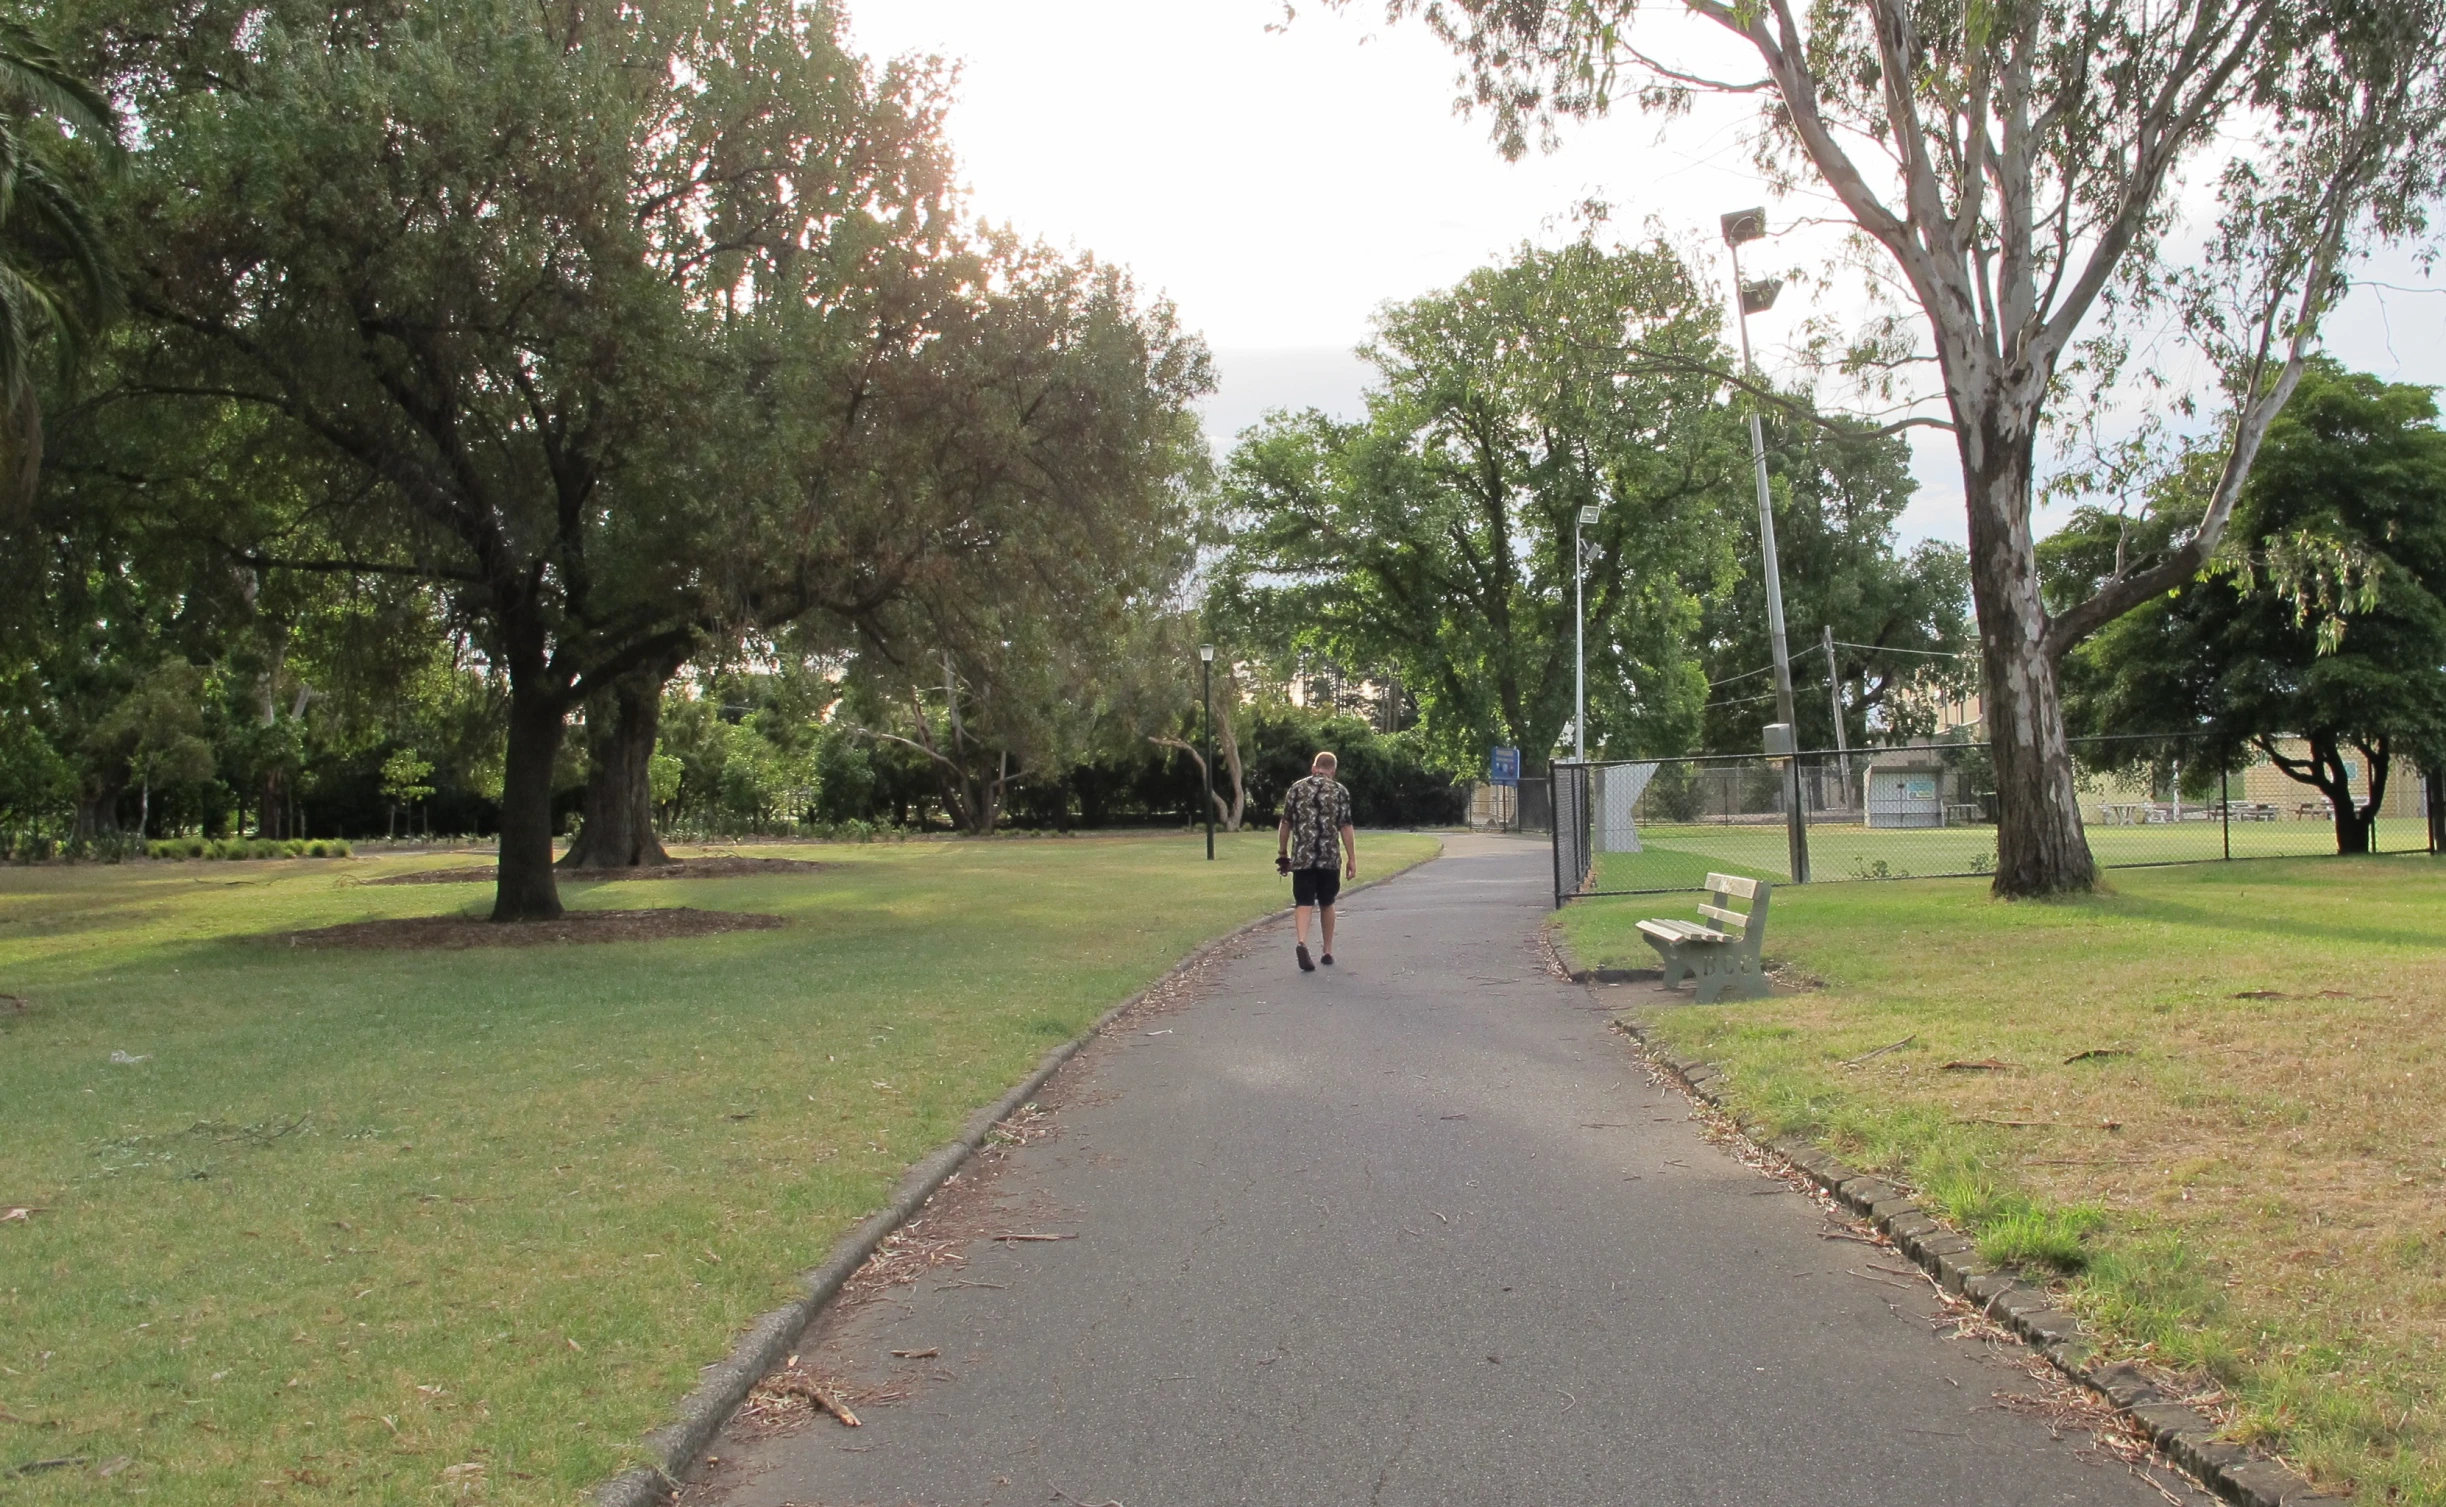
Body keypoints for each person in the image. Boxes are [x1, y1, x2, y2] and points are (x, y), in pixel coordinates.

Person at [1276, 750, 1357, 972]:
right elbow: (1346, 827)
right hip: (1329, 857)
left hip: (1303, 857)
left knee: (1303, 902)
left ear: (1314, 768)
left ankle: (1302, 941)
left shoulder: (1296, 788)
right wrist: (1352, 858)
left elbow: (1285, 824)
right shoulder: (1340, 791)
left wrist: (1283, 853)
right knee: (1327, 902)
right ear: (1333, 771)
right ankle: (1327, 950)